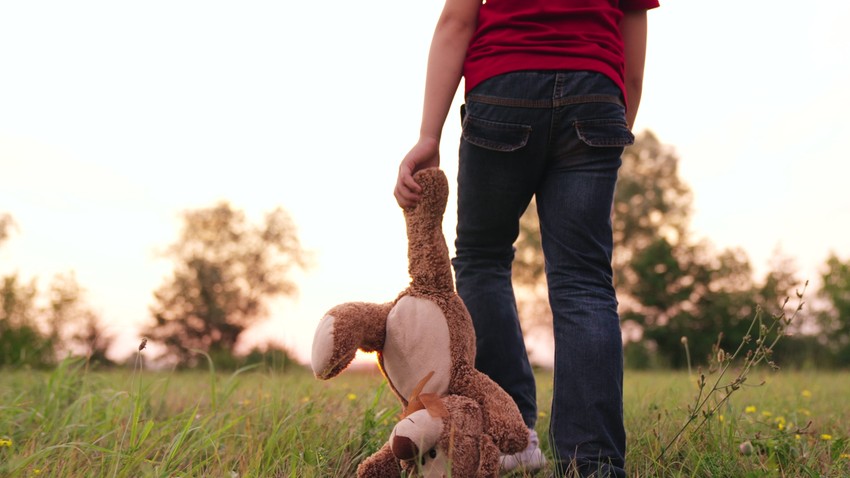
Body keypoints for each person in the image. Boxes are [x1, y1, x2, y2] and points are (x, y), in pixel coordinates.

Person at [394, 0, 658, 476]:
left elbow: (458, 20)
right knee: (585, 282)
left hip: (505, 80)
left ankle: (512, 435)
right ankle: (593, 464)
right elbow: (633, 33)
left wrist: (427, 136)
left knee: (481, 259)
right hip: (595, 89)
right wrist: (614, 126)